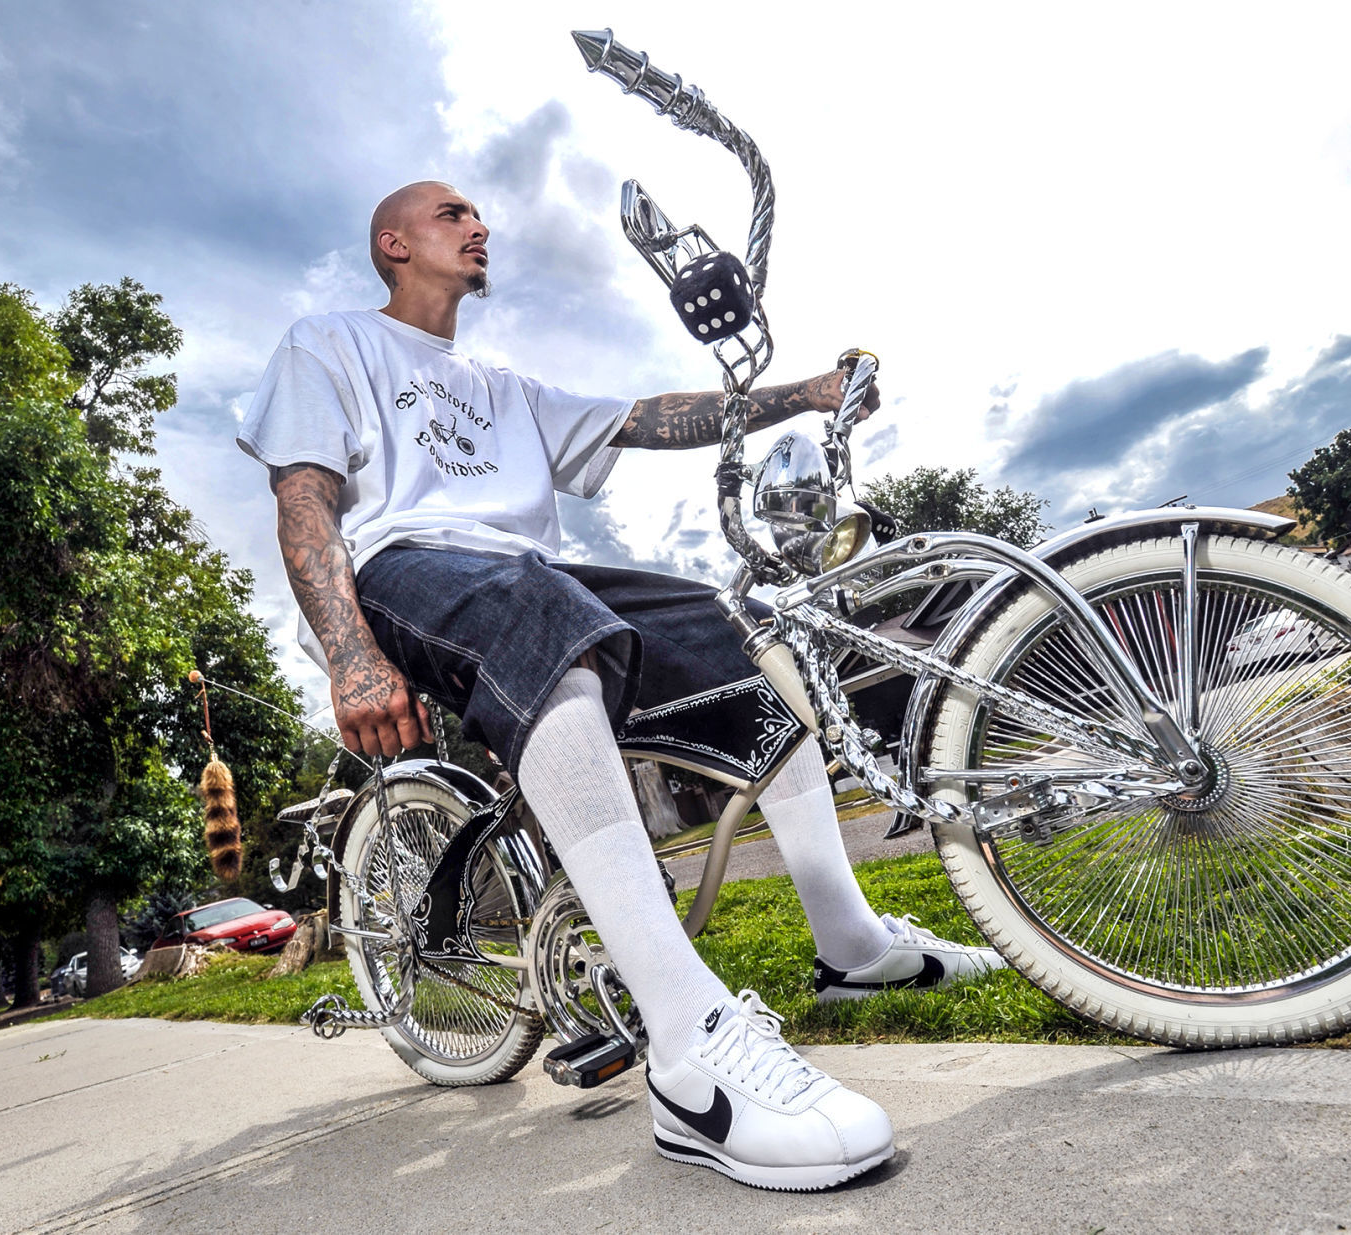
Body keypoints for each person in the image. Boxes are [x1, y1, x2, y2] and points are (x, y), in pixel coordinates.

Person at [237, 181, 1002, 1191]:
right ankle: (689, 1054)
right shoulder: (329, 343)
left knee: (728, 631)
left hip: (527, 575)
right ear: (394, 242)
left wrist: (810, 390)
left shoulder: (501, 378)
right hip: (405, 566)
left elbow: (647, 417)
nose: (481, 227)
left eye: (479, 216)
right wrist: (349, 651)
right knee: (533, 607)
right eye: (454, 214)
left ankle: (849, 936)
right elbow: (304, 498)